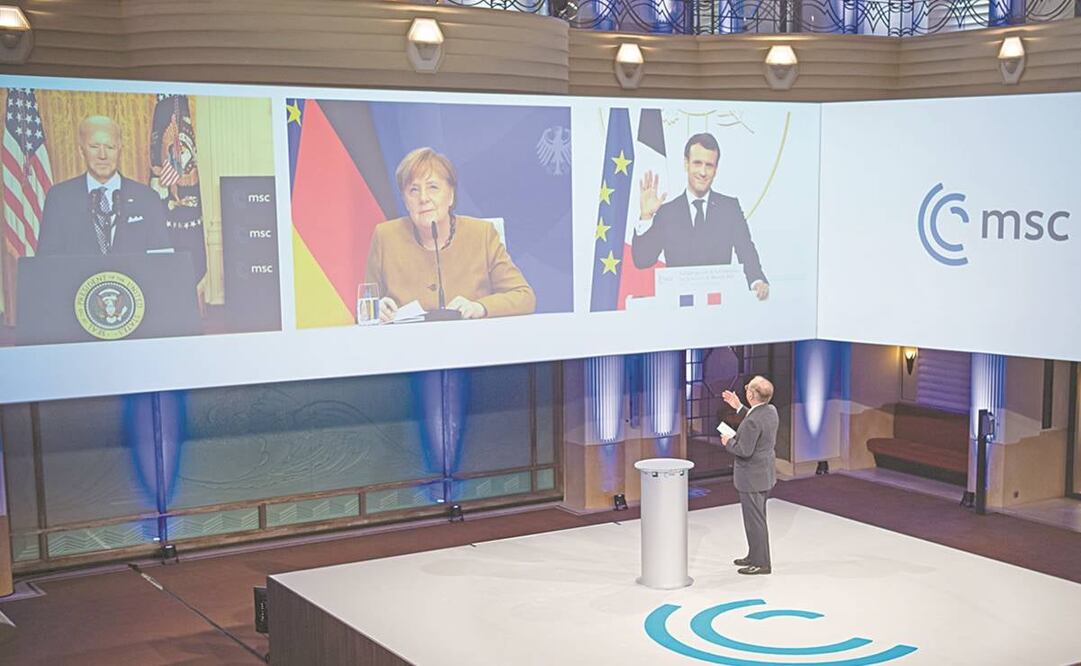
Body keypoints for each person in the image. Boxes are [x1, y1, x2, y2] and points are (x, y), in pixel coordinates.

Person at [366, 147, 536, 322]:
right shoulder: (385, 237)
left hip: (472, 344)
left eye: (433, 187)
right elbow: (365, 306)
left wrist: (479, 307)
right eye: (414, 190)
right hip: (406, 345)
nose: (423, 198)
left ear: (451, 196)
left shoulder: (482, 234)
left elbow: (523, 296)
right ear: (405, 201)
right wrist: (375, 311)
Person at [632, 133, 769, 300]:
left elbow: (746, 250)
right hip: (678, 312)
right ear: (686, 164)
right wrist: (646, 216)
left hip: (718, 311)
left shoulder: (729, 208)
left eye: (709, 165)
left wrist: (757, 281)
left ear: (716, 170)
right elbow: (642, 260)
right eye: (697, 163)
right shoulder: (667, 212)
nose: (703, 172)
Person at [37, 116, 171, 257]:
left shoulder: (147, 198)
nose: (103, 155)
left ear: (120, 150)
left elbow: (161, 261)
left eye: (110, 147)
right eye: (94, 147)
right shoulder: (60, 198)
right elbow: (47, 263)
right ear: (81, 151)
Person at [719, 375, 779, 575]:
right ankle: (754, 555)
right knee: (756, 520)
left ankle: (761, 563)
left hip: (752, 478)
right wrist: (738, 407)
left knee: (756, 522)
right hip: (764, 475)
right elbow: (755, 419)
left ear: (751, 394)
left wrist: (728, 441)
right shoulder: (770, 411)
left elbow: (744, 450)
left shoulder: (753, 420)